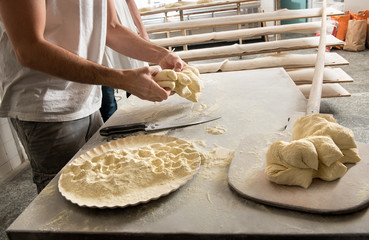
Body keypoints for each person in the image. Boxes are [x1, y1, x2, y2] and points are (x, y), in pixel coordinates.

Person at [0, 0, 185, 193]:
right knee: (64, 205)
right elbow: (29, 49)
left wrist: (161, 55)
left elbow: (111, 27)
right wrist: (121, 79)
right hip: (45, 107)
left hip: (87, 100)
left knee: (100, 186)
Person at [100, 0, 149, 122]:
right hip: (99, 28)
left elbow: (129, 1)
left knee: (137, 79)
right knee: (105, 87)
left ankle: (141, 123)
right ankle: (113, 130)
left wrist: (143, 32)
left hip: (123, 26)